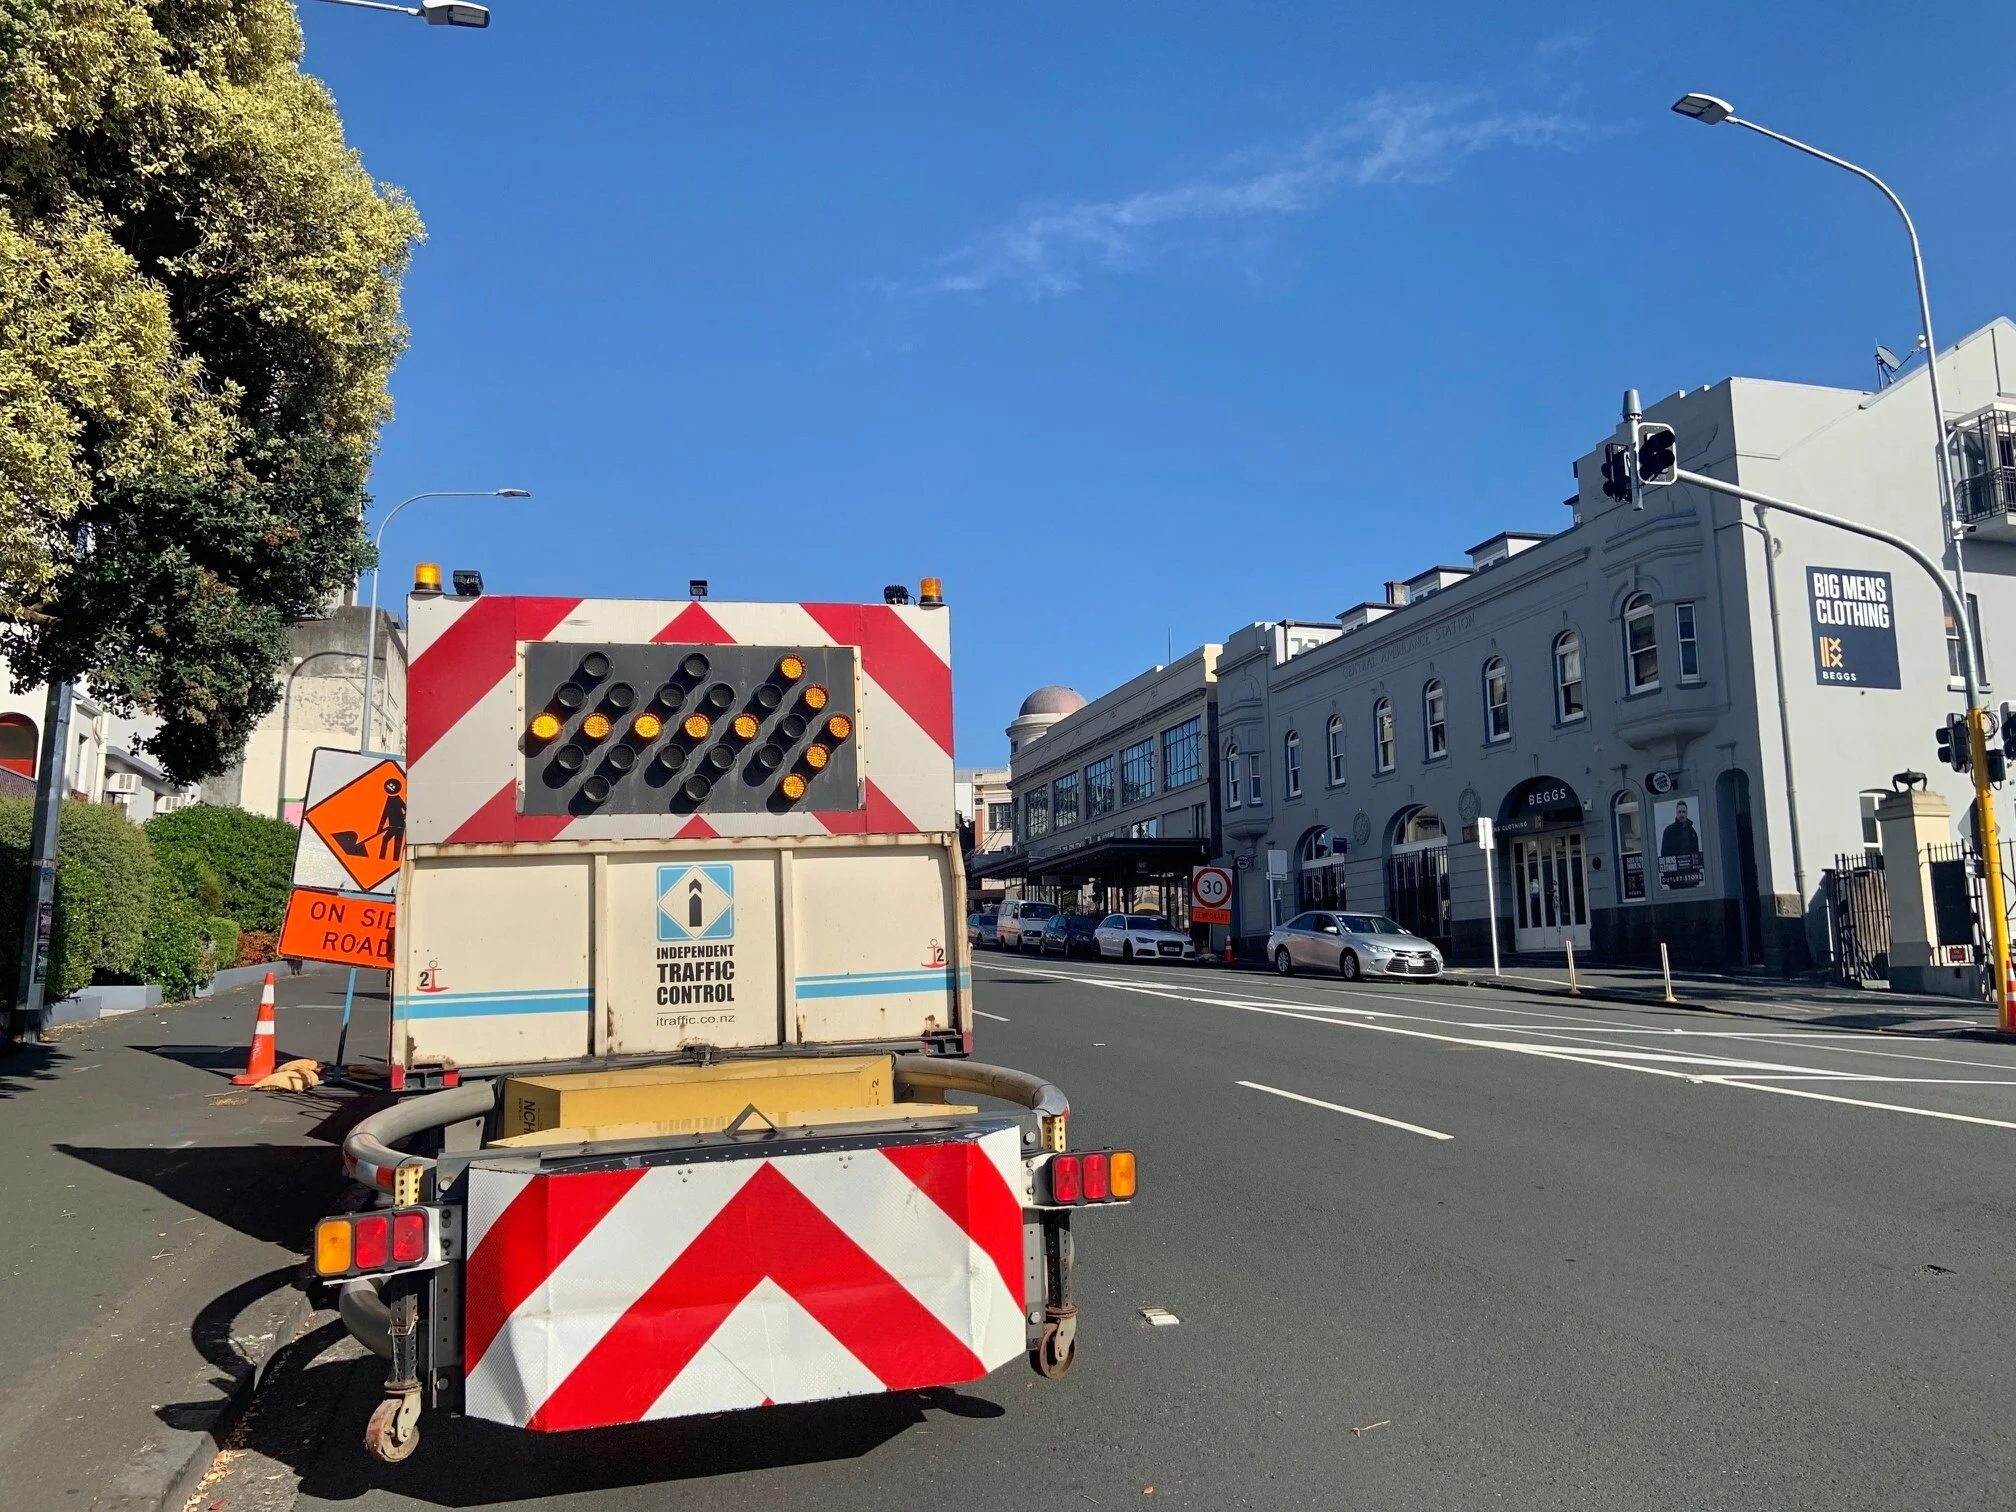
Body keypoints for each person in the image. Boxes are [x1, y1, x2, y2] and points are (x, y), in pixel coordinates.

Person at [377, 777, 406, 860]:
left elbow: (407, 810)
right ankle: (382, 857)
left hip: (399, 826)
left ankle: (395, 859)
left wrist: (402, 817)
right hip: (392, 826)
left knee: (397, 843)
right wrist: (380, 828)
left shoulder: (397, 798)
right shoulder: (389, 800)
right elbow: (384, 815)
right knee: (385, 839)